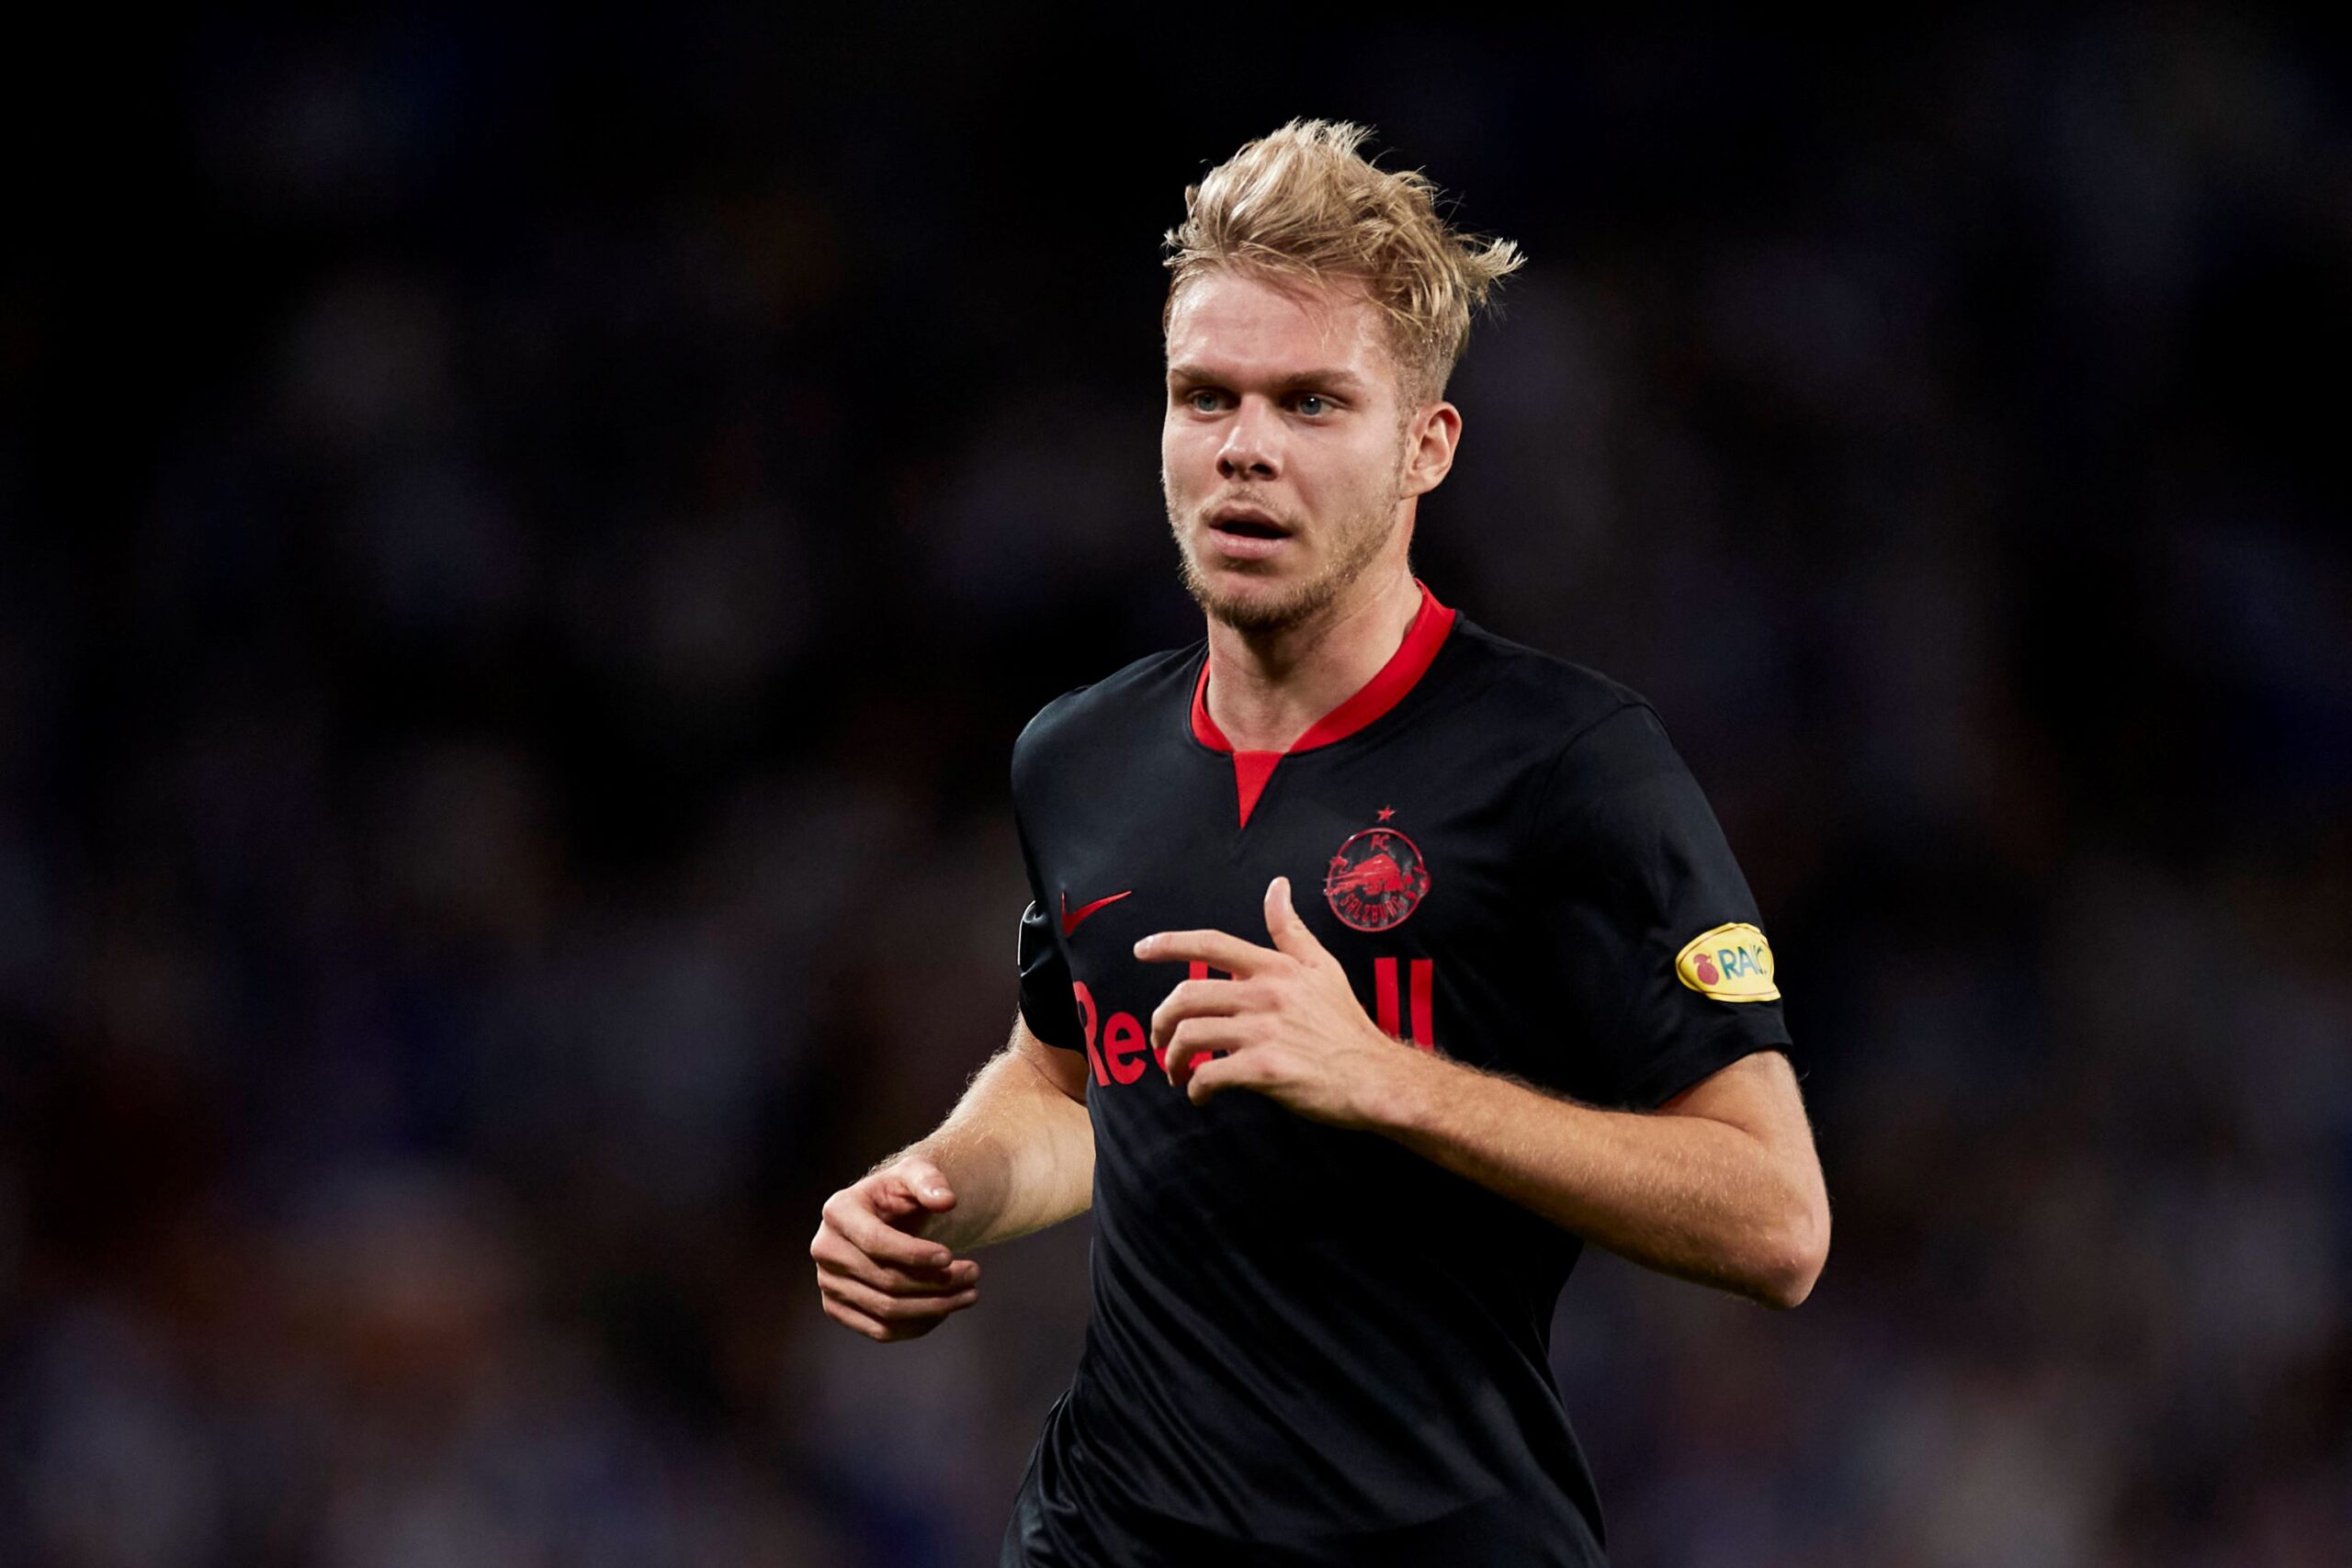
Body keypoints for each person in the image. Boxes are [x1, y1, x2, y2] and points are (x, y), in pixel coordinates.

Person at [810, 119, 1830, 1565]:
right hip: (1111, 1530)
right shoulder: (1077, 757)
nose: (1243, 450)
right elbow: (1075, 1085)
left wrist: (1389, 1084)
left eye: (1310, 404)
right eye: (1204, 396)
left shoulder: (1569, 765)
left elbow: (1778, 1222)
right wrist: (941, 1186)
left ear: (1427, 445)